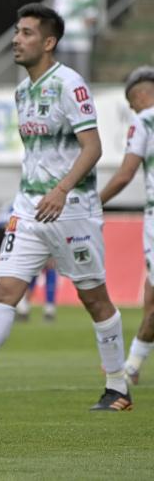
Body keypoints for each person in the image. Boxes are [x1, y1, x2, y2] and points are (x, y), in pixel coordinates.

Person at [0, 3, 130, 412]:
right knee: (4, 290)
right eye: (17, 32)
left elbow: (93, 148)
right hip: (30, 209)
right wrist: (36, 194)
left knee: (95, 299)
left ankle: (118, 387)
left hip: (72, 209)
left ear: (49, 42)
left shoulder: (69, 84)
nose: (17, 40)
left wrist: (61, 189)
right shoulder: (23, 91)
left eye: (27, 33)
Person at [99, 65, 154, 386]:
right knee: (151, 296)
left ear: (139, 96)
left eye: (132, 105)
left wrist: (93, 202)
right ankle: (132, 365)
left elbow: (124, 174)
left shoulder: (144, 120)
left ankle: (129, 366)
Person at [0, 203, 58, 321]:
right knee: (39, 269)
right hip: (17, 235)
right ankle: (43, 307)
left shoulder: (15, 206)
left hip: (4, 235)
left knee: (23, 272)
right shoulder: (31, 206)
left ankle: (23, 306)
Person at [52, 0, 98, 81]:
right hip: (65, 39)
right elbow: (57, 14)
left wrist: (88, 21)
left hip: (82, 39)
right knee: (63, 68)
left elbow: (92, 16)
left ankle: (82, 90)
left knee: (81, 68)